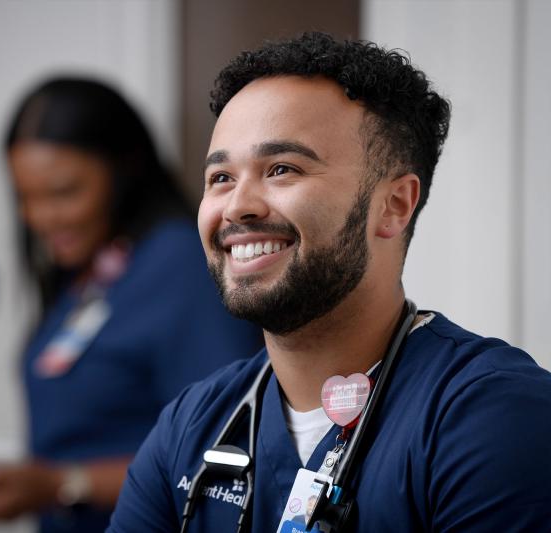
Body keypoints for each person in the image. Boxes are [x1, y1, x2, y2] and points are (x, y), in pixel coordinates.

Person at [107, 32, 551, 532]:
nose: (237, 206)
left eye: (281, 168)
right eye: (221, 178)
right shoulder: (190, 427)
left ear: (394, 205)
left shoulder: (492, 417)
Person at [0, 78, 262, 532]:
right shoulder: (96, 268)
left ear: (124, 168)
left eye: (63, 192)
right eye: (26, 197)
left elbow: (225, 451)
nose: (41, 218)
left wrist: (61, 484)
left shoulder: (181, 264)